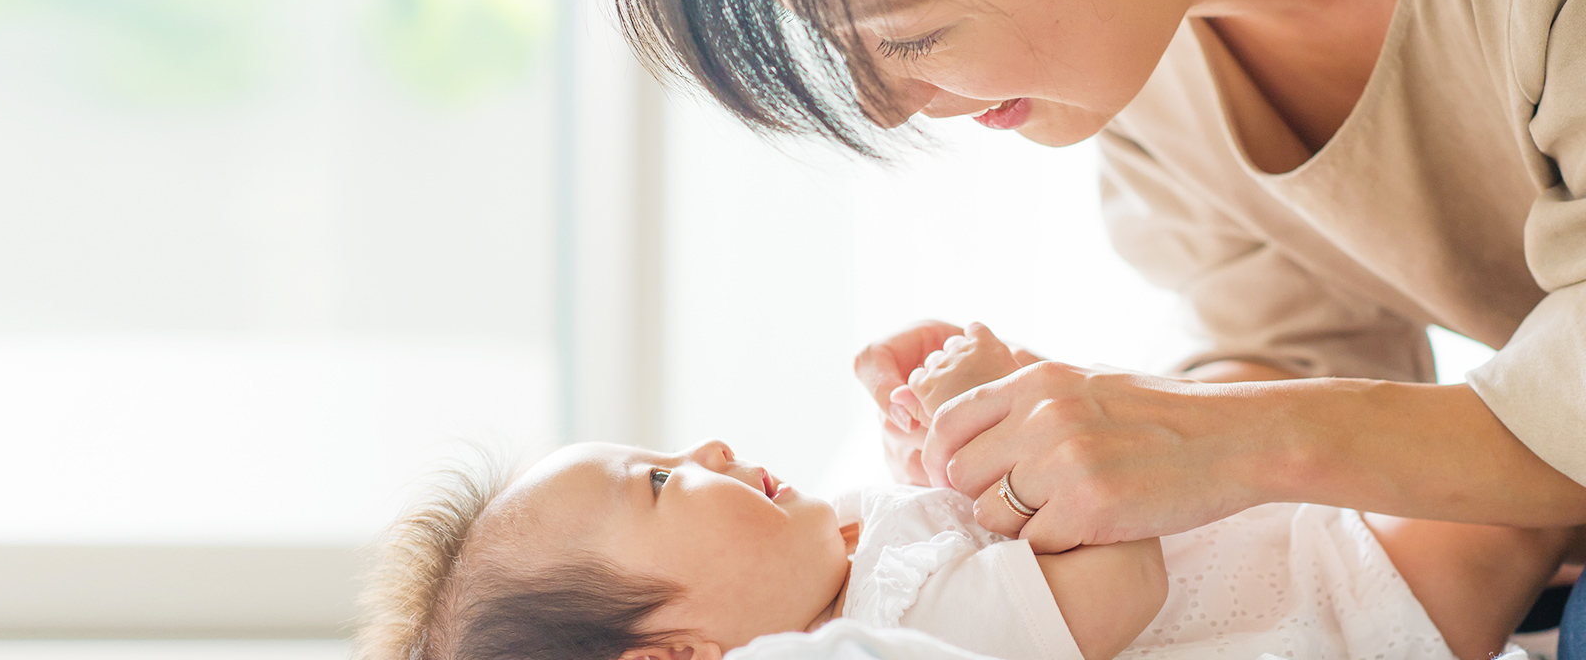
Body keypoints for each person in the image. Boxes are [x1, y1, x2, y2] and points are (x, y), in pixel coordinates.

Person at [609, 0, 1586, 649]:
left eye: (910, 37)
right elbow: (1298, 359)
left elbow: (1293, 425)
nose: (885, 104)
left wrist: (1228, 439)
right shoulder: (1156, 72)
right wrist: (1063, 441)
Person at [354, 326, 1577, 660]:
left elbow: (988, 523)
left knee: (1523, 451)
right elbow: (1110, 572)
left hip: (1310, 542)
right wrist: (1000, 395)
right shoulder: (873, 642)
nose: (714, 449)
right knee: (1526, 477)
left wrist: (942, 433)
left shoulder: (860, 563)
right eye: (664, 481)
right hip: (1345, 606)